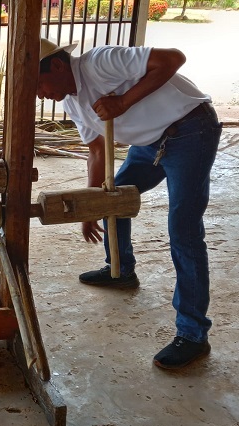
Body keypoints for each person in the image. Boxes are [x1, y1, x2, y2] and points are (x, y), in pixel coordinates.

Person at [36, 39, 222, 370]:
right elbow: (97, 151)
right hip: (150, 143)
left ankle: (193, 335)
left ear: (58, 65)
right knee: (113, 197)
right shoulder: (71, 103)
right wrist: (91, 204)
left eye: (38, 84)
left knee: (183, 229)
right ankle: (120, 268)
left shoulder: (100, 62)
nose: (39, 95)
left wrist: (122, 101)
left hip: (190, 131)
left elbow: (174, 57)